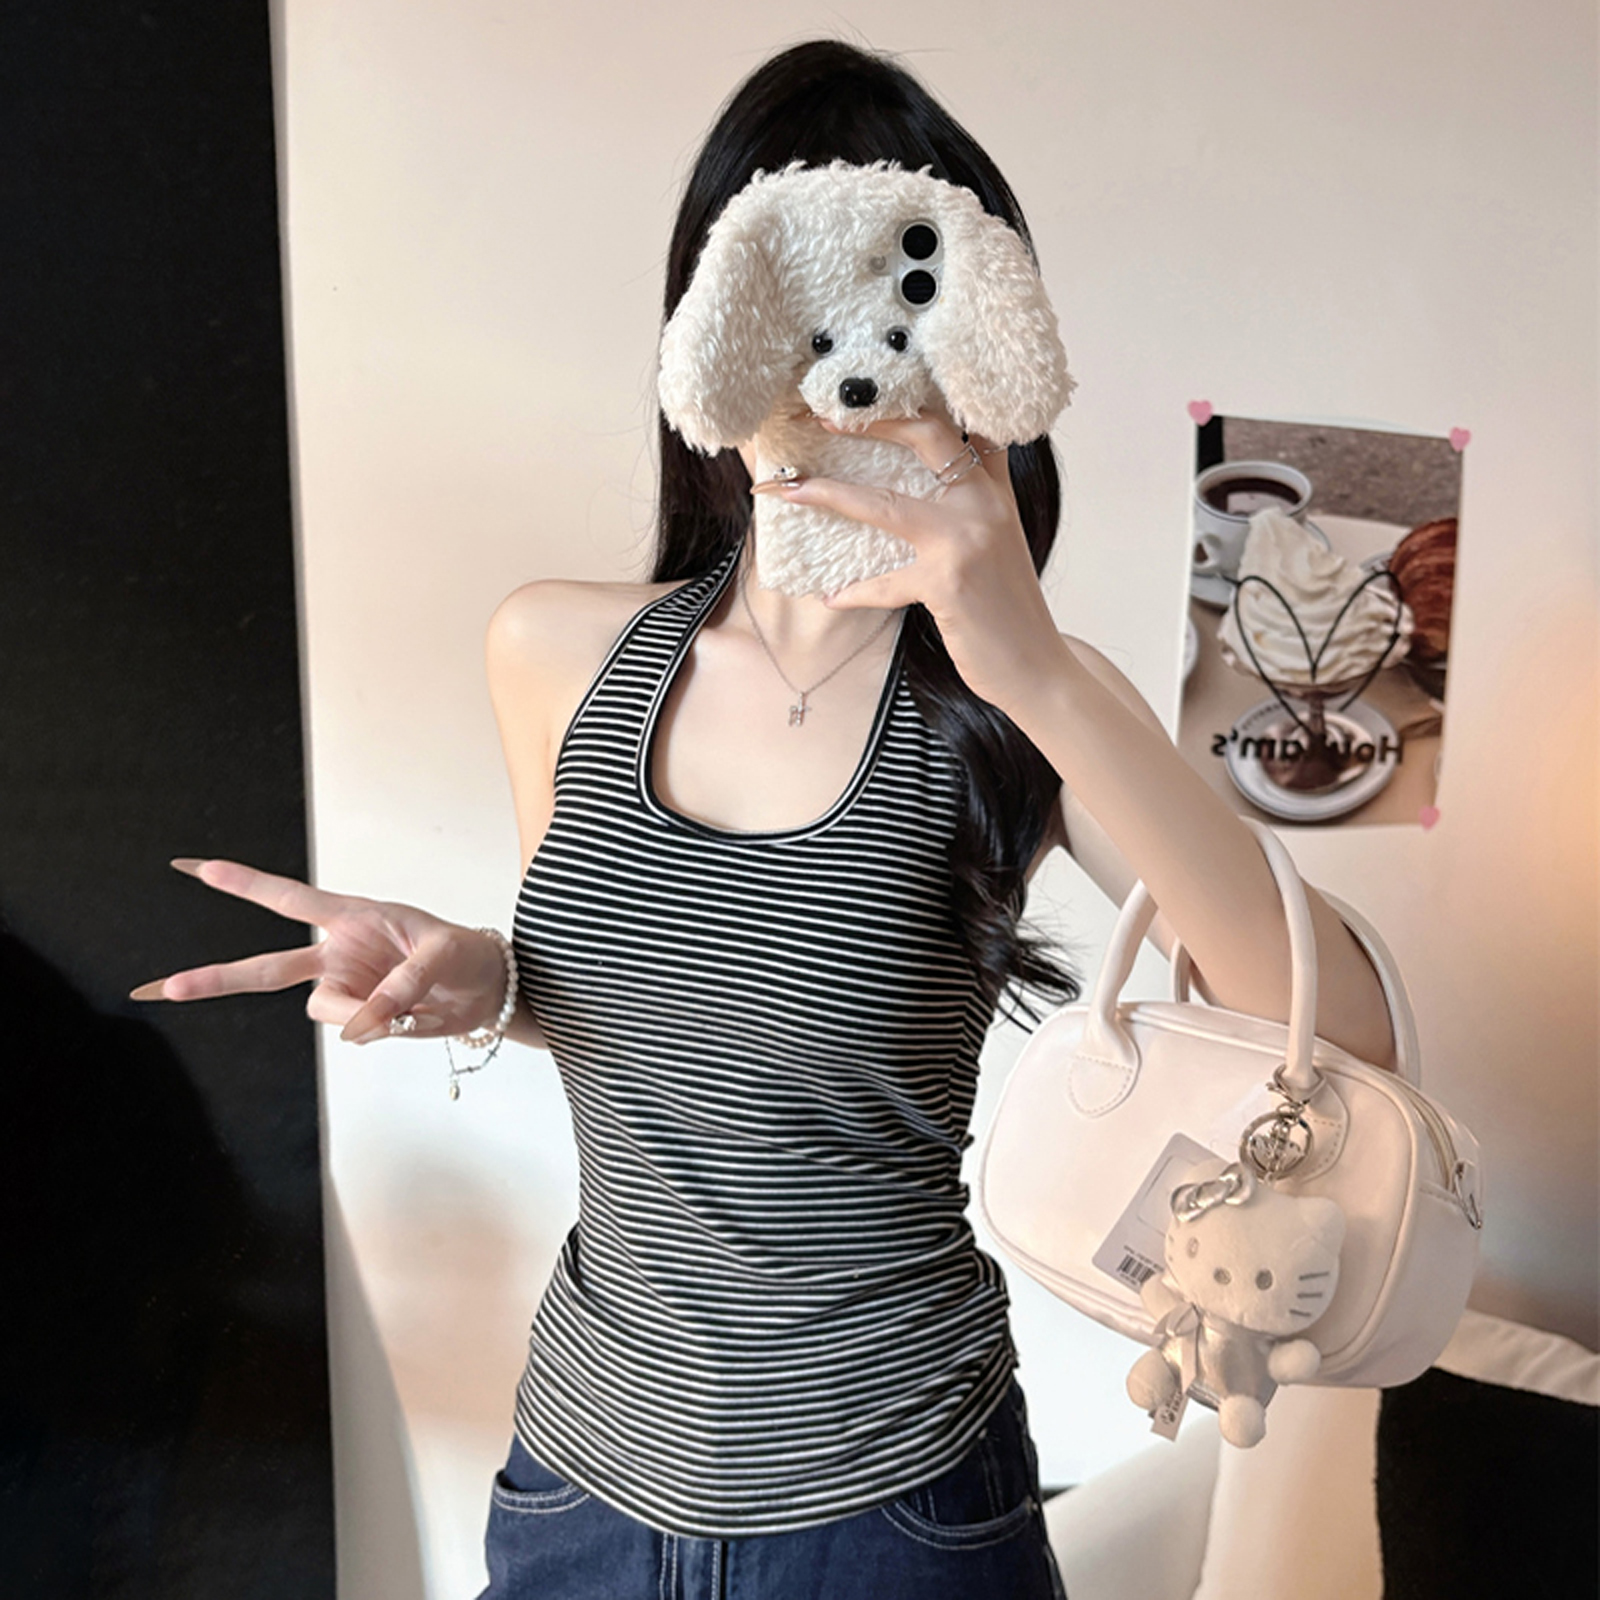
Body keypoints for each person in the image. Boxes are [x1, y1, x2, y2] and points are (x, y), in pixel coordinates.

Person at [133, 39, 1394, 1600]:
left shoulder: (1028, 699)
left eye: (900, 306)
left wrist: (1030, 666)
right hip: (580, 1489)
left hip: (897, 1511)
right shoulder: (556, 651)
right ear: (709, 337)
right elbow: (647, 1003)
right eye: (786, 306)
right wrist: (485, 979)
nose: (836, 372)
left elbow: (1343, 1031)